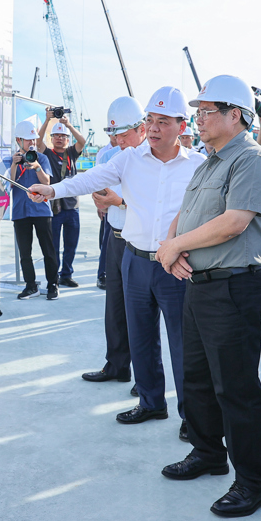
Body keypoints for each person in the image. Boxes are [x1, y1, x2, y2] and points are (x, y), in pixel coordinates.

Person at [29, 86, 205, 436]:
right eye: (150, 121)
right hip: (134, 261)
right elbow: (90, 180)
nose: (154, 129)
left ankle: (193, 417)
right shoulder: (129, 159)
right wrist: (53, 190)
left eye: (163, 122)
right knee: (140, 337)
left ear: (182, 125)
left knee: (183, 343)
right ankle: (152, 403)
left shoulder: (199, 166)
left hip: (175, 266)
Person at [157, 74, 261, 518]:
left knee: (236, 387)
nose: (199, 119)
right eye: (198, 112)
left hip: (233, 286)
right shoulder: (209, 162)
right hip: (200, 285)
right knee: (196, 378)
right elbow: (185, 215)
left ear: (236, 115)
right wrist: (170, 247)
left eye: (207, 112)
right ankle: (208, 453)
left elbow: (234, 221)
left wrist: (174, 246)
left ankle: (254, 482)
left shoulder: (252, 159)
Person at [81, 97, 147, 387]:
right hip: (114, 238)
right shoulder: (111, 156)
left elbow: (154, 208)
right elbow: (92, 185)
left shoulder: (153, 159)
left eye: (123, 134)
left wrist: (117, 202)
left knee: (141, 313)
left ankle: (146, 380)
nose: (118, 141)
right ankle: (117, 365)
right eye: (114, 135)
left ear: (142, 128)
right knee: (115, 307)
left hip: (140, 244)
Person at [10, 119, 59, 300]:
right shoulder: (12, 159)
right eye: (28, 140)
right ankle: (31, 286)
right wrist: (15, 164)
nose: (32, 143)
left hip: (41, 211)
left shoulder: (42, 158)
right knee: (25, 253)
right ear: (18, 141)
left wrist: (37, 166)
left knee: (48, 250)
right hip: (20, 212)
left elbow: (47, 182)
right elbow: (11, 183)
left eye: (33, 139)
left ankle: (53, 284)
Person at [37, 111, 87, 288]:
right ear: (52, 138)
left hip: (72, 206)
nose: (59, 138)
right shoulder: (47, 154)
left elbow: (82, 141)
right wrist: (47, 120)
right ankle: (55, 276)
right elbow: (37, 141)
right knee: (54, 245)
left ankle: (66, 274)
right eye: (56, 135)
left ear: (67, 139)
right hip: (55, 208)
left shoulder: (72, 153)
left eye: (63, 136)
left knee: (71, 245)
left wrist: (69, 125)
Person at [94, 134, 118, 289]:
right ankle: (102, 274)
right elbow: (97, 181)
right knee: (107, 243)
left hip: (124, 208)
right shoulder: (106, 154)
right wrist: (101, 205)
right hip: (110, 207)